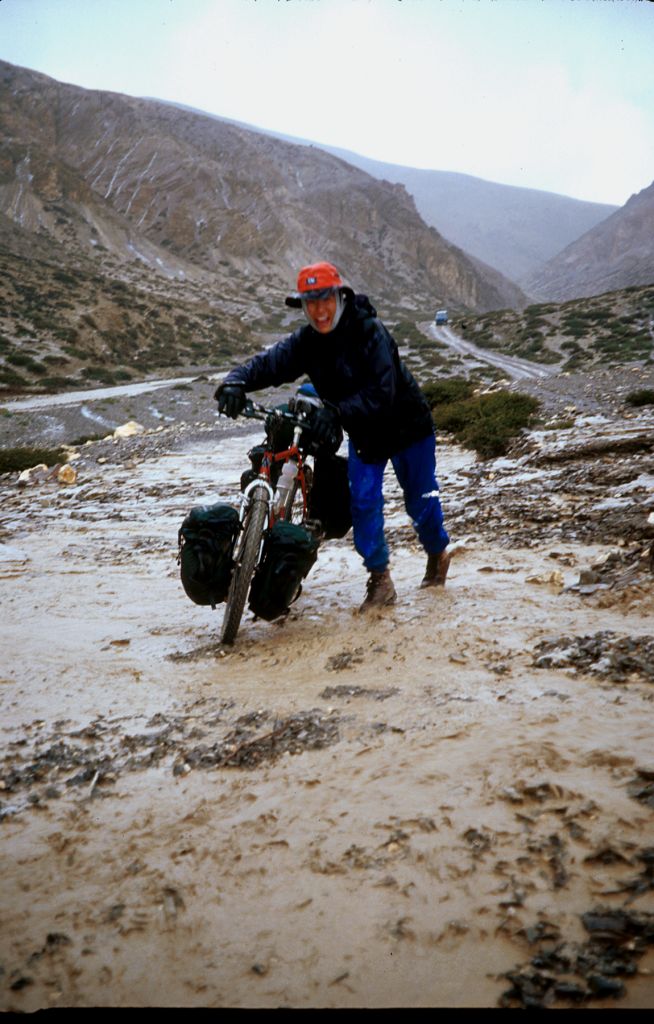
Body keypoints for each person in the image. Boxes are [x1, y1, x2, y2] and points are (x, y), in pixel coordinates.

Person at [215, 261, 450, 610]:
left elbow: (382, 392)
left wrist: (337, 412)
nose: (319, 310)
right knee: (364, 504)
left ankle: (437, 553)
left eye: (325, 299)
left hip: (407, 427)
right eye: (310, 303)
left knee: (421, 501)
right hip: (366, 435)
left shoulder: (370, 332)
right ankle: (381, 579)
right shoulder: (307, 342)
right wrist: (234, 381)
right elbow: (269, 363)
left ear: (340, 297)